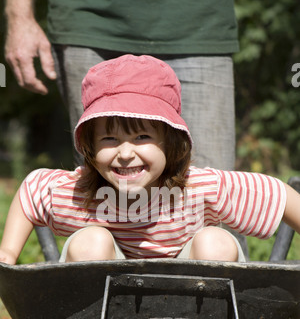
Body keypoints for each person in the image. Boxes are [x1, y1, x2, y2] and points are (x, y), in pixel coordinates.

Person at [0, 54, 299, 267]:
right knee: (89, 242)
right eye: (109, 139)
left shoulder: (201, 187)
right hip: (107, 297)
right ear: (90, 147)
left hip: (194, 293)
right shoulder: (81, 193)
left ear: (171, 144)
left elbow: (278, 195)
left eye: (142, 137)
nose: (126, 153)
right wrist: (7, 255)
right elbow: (31, 191)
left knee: (215, 242)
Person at [4, 0, 239, 170]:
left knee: (214, 195)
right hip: (89, 17)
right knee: (100, 188)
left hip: (199, 18)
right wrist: (19, 17)